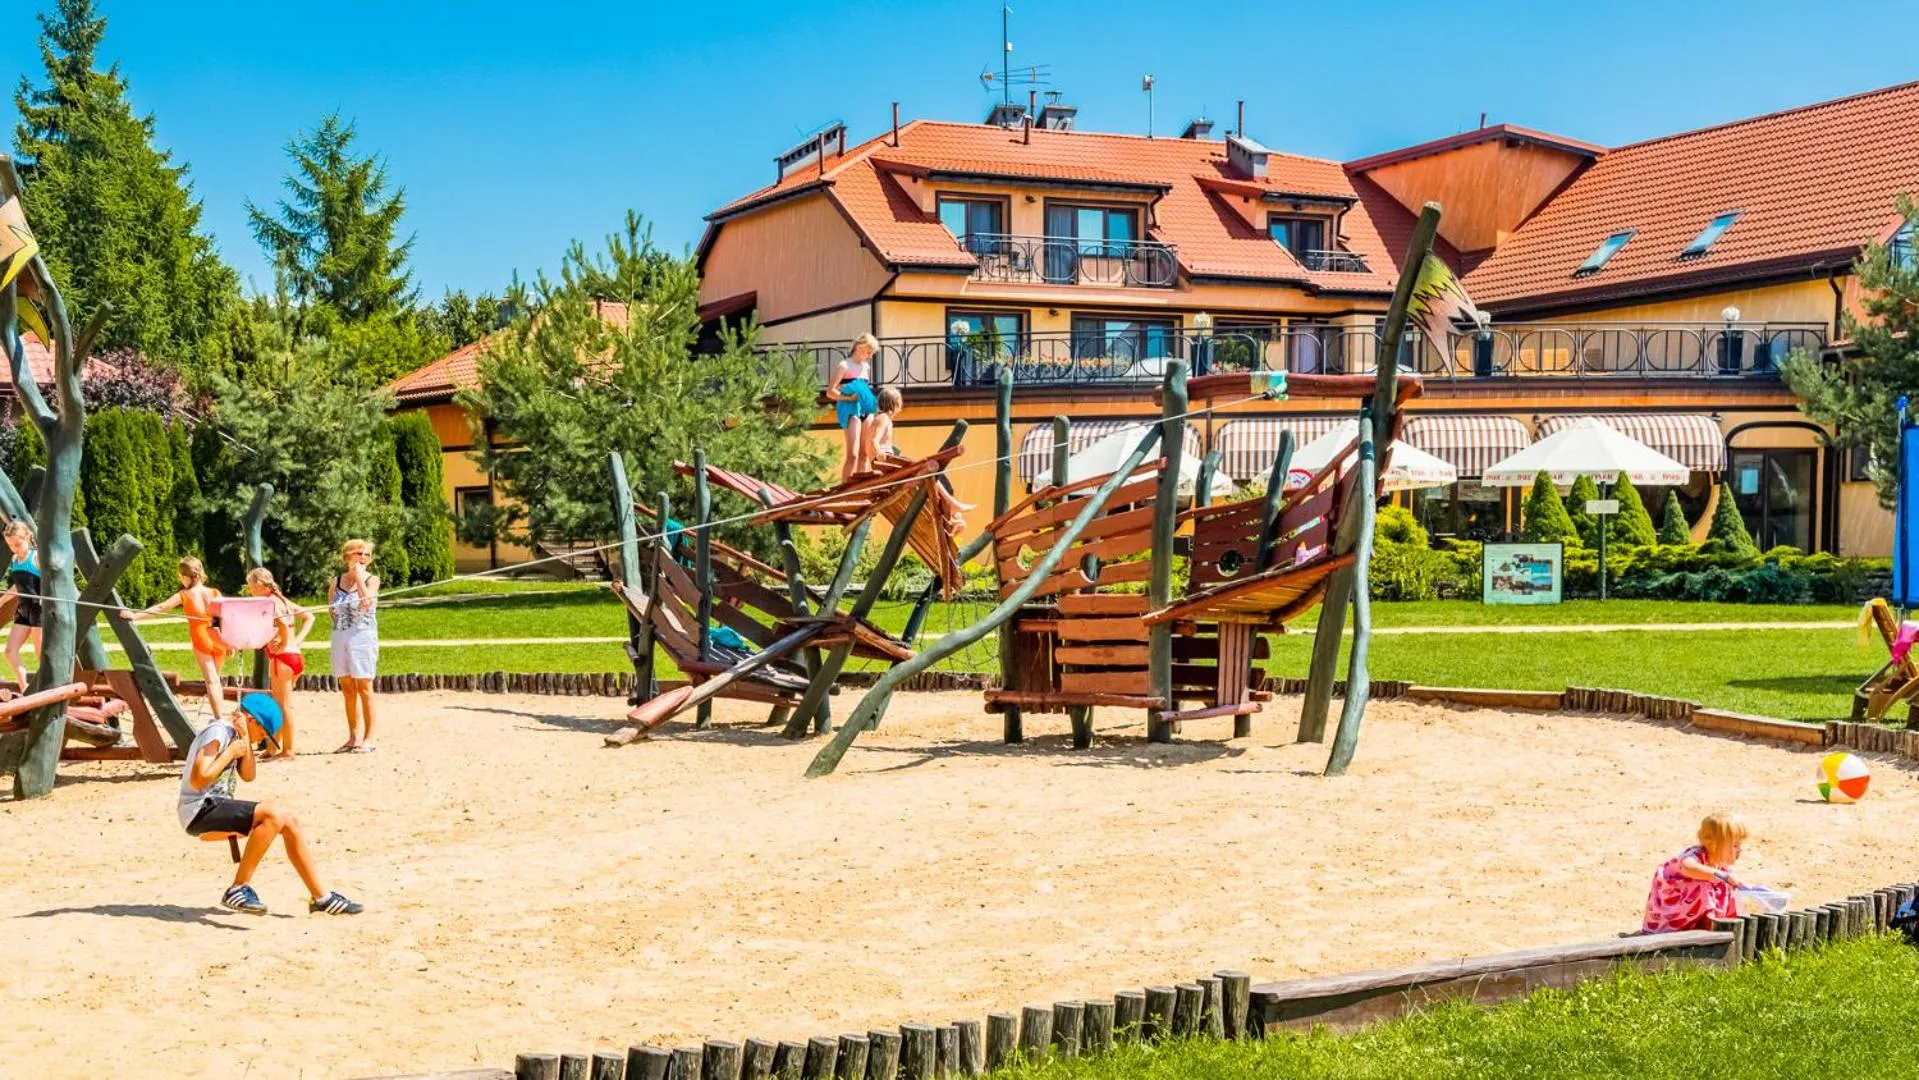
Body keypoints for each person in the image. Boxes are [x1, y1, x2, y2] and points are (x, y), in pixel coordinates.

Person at [178, 691, 362, 916]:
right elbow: (198, 780)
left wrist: (245, 740)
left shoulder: (236, 736)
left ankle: (322, 898)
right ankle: (238, 888)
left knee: (290, 821)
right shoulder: (217, 732)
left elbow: (249, 775)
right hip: (197, 809)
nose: (261, 739)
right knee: (272, 814)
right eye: (263, 733)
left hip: (215, 806)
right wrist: (230, 753)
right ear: (252, 720)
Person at [124, 557, 227, 722]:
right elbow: (224, 618)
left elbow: (161, 607)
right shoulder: (215, 593)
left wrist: (135, 616)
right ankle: (221, 718)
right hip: (218, 639)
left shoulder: (184, 594)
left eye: (181, 576)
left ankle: (219, 719)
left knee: (211, 681)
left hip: (201, 639)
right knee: (216, 679)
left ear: (185, 577)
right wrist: (229, 643)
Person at [246, 567, 313, 759]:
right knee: (279, 705)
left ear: (260, 584)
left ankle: (288, 750)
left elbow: (282, 624)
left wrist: (283, 642)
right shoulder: (282, 600)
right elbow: (309, 616)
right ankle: (273, 747)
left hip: (282, 659)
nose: (250, 590)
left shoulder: (271, 602)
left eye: (251, 585)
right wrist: (296, 640)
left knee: (284, 707)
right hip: (294, 656)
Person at [1643, 811, 1748, 933]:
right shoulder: (1696, 854)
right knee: (1705, 885)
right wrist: (1720, 875)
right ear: (1712, 844)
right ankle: (1706, 925)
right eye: (1735, 845)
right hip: (1673, 911)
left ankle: (1722, 926)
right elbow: (1687, 867)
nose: (1740, 850)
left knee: (1729, 885)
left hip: (1692, 911)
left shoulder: (1721, 866)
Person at [329, 539, 381, 753]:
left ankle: (369, 738)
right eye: (359, 553)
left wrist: (359, 577)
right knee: (347, 687)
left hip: (363, 636)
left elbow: (366, 603)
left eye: (367, 554)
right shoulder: (336, 581)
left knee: (364, 687)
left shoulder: (372, 580)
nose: (364, 558)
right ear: (348, 556)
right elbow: (332, 611)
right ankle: (353, 737)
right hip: (340, 636)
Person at [827, 333, 880, 481]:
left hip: (866, 410)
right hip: (850, 409)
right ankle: (845, 488)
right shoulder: (844, 365)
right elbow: (830, 392)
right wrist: (847, 398)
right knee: (853, 454)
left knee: (864, 454)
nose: (870, 356)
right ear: (860, 347)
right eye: (868, 352)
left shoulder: (866, 367)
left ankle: (860, 488)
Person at [0, 520, 42, 689]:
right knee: (10, 651)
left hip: (39, 610)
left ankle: (48, 691)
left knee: (41, 655)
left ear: (27, 537)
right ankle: (26, 690)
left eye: (17, 544)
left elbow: (51, 581)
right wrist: (2, 600)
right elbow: (17, 586)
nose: (14, 549)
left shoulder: (37, 557)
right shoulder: (15, 559)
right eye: (10, 545)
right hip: (24, 610)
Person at [866, 386, 903, 461]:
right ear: (894, 403)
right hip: (883, 458)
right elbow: (874, 440)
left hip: (884, 456)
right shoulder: (883, 418)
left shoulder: (884, 418)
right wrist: (879, 453)